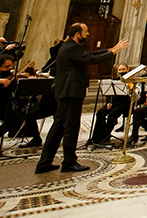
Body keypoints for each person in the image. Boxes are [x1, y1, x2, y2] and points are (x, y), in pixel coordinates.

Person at [36, 24, 128, 174]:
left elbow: (91, 53)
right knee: (71, 128)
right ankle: (69, 162)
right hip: (70, 93)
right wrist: (113, 52)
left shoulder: (70, 47)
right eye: (85, 31)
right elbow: (90, 59)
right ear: (77, 34)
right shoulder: (70, 48)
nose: (88, 33)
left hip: (65, 92)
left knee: (58, 127)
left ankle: (44, 162)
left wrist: (110, 50)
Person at [91, 63, 131, 145]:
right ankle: (97, 137)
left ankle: (106, 136)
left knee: (112, 115)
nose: (121, 71)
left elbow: (135, 95)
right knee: (100, 112)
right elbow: (109, 93)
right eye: (120, 70)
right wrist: (108, 103)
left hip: (125, 104)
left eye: (123, 69)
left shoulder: (130, 81)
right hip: (114, 103)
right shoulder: (115, 81)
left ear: (127, 70)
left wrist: (130, 91)